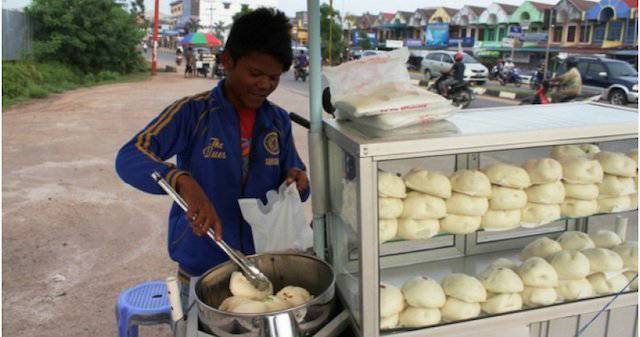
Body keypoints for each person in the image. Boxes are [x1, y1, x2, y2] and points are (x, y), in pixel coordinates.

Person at [115, 8, 309, 306]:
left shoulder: (278, 120)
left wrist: (298, 181)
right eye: (255, 73)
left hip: (262, 266)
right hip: (201, 264)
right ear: (228, 61)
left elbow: (295, 177)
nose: (264, 85)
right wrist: (181, 181)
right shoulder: (193, 112)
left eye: (273, 77)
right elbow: (130, 156)